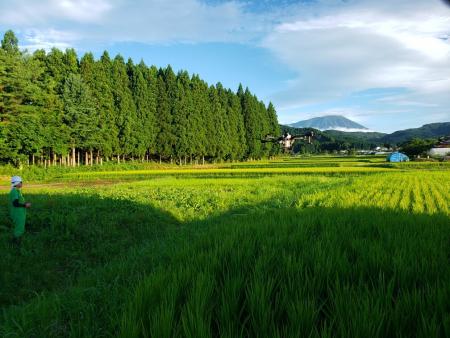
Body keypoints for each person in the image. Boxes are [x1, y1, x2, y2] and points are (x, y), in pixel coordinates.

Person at [8, 176, 31, 245]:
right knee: (19, 228)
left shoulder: (17, 191)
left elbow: (18, 202)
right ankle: (15, 243)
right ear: (17, 183)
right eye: (21, 182)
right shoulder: (14, 191)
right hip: (17, 213)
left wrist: (25, 204)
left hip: (20, 213)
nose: (22, 183)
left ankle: (17, 241)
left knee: (20, 227)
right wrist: (25, 205)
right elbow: (15, 204)